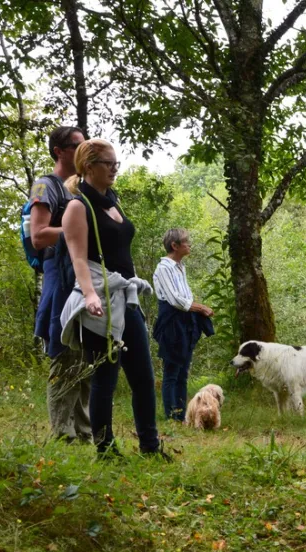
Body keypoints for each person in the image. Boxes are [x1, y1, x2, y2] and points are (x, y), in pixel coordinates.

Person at [58, 139, 168, 460]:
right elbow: (78, 259)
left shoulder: (113, 201)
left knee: (144, 379)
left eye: (116, 163)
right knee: (105, 380)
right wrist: (90, 295)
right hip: (101, 303)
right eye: (108, 163)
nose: (114, 169)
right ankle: (105, 451)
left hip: (125, 298)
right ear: (88, 166)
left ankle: (150, 446)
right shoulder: (78, 207)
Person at [31, 125, 92, 443]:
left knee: (87, 356)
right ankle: (62, 433)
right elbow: (38, 237)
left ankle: (84, 431)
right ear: (60, 151)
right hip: (61, 277)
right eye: (77, 145)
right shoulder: (46, 186)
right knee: (63, 353)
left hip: (88, 278)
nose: (84, 150)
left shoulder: (83, 188)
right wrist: (76, 227)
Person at [152, 228, 215, 421]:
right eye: (186, 241)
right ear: (175, 245)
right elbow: (175, 300)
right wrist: (201, 308)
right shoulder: (164, 268)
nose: (189, 244)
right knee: (172, 369)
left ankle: (182, 414)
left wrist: (194, 310)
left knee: (183, 370)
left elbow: (185, 296)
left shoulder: (180, 267)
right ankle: (172, 415)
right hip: (171, 321)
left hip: (185, 321)